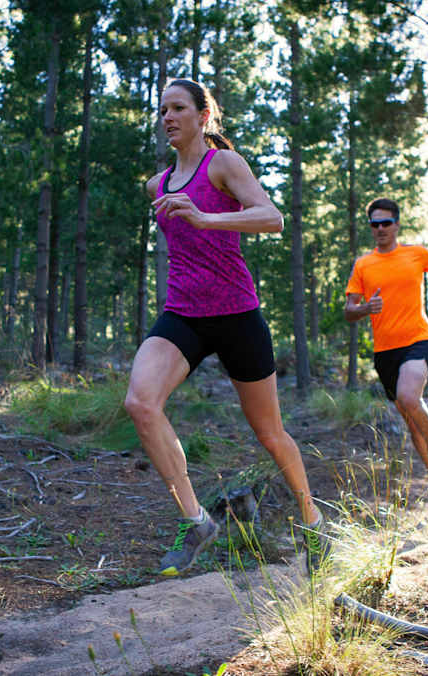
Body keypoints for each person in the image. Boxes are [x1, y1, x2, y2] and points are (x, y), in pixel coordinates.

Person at [124, 78, 326, 576]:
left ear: (202, 116)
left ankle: (313, 522)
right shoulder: (156, 185)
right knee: (141, 403)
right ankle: (195, 521)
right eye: (163, 110)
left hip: (236, 314)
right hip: (184, 313)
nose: (168, 117)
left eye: (178, 108)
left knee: (270, 433)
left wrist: (205, 218)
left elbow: (272, 218)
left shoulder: (224, 165)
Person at [344, 197, 428, 514]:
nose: (380, 228)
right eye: (375, 224)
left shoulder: (415, 254)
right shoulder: (363, 265)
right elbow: (349, 310)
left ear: (396, 224)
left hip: (417, 340)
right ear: (371, 227)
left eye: (386, 223)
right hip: (385, 352)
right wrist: (365, 308)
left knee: (410, 398)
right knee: (412, 424)